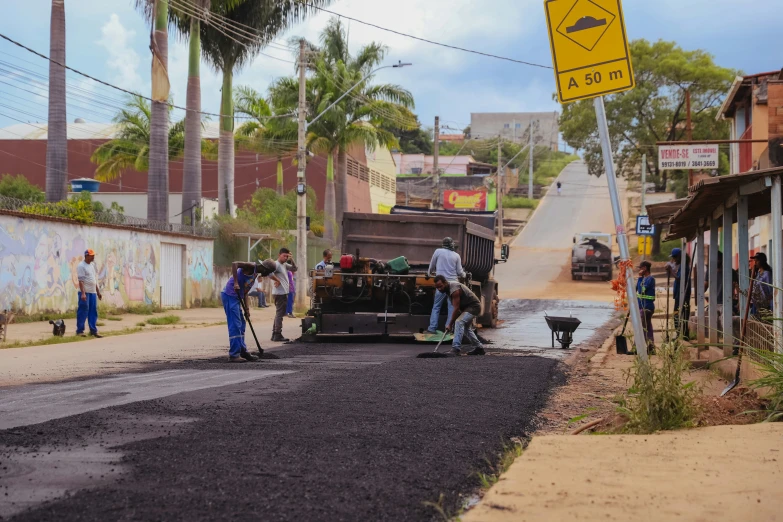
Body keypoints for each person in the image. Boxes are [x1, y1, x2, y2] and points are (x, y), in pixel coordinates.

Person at [222, 260, 276, 362]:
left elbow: (245, 291)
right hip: (230, 295)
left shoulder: (255, 274)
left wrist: (247, 309)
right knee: (235, 324)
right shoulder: (251, 266)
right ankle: (234, 355)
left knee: (242, 324)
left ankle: (242, 351)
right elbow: (234, 264)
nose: (267, 275)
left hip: (238, 296)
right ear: (265, 268)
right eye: (268, 272)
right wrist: (236, 282)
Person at [434, 275, 485, 356]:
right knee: (466, 328)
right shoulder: (447, 290)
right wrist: (451, 323)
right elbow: (457, 309)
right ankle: (479, 347)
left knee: (459, 322)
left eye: (440, 286)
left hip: (473, 307)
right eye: (437, 288)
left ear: (445, 282)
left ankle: (456, 348)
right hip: (466, 308)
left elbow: (456, 308)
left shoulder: (454, 290)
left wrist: (450, 324)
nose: (439, 289)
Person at [426, 237, 466, 335]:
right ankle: (448, 330)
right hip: (453, 285)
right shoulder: (456, 255)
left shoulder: (438, 252)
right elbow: (460, 272)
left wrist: (428, 274)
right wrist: (465, 275)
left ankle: (432, 329)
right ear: (452, 245)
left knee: (436, 307)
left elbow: (432, 266)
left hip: (440, 285)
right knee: (451, 308)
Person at [269, 248, 297, 342]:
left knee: (279, 313)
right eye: (284, 256)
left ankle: (274, 333)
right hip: (279, 293)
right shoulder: (276, 264)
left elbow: (294, 268)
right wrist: (277, 280)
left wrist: (291, 259)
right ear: (279, 255)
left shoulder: (284, 264)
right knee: (280, 314)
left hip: (283, 292)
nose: (285, 258)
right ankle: (277, 334)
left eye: (287, 256)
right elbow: (269, 274)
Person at [76, 248, 102, 338]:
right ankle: (80, 331)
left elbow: (94, 280)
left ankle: (93, 330)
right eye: (91, 256)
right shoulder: (81, 266)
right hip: (85, 293)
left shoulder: (92, 265)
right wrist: (83, 293)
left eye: (93, 255)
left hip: (93, 292)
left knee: (93, 311)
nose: (93, 257)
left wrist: (98, 292)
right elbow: (81, 281)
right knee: (83, 311)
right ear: (87, 256)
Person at [636, 261, 656, 347]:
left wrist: (640, 277)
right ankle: (650, 345)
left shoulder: (650, 279)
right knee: (647, 326)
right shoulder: (644, 279)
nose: (639, 270)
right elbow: (636, 289)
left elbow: (641, 290)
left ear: (644, 268)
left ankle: (639, 346)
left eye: (640, 268)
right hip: (642, 306)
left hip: (647, 307)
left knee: (642, 327)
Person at [750, 252, 773, 318]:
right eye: (755, 261)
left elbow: (770, 289)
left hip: (764, 304)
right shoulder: (757, 274)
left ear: (762, 261)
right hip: (756, 303)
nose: (755, 263)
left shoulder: (767, 274)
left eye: (757, 261)